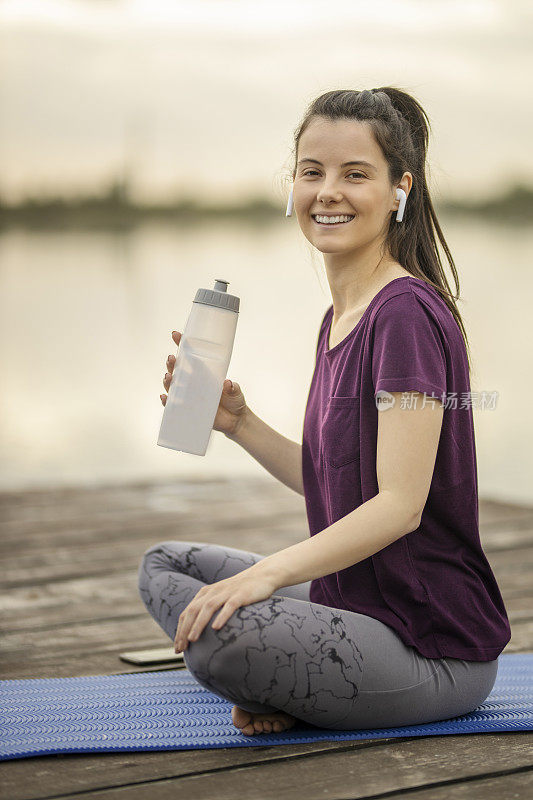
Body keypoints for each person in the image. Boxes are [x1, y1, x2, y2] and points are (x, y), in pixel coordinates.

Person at [138, 87, 511, 737]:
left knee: (221, 640)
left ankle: (286, 677)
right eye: (311, 172)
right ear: (292, 188)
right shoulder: (339, 316)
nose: (327, 191)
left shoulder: (403, 314)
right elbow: (333, 480)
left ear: (399, 191)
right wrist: (239, 423)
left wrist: (268, 573)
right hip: (355, 600)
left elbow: (399, 504)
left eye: (354, 174)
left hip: (429, 644)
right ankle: (292, 677)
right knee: (165, 567)